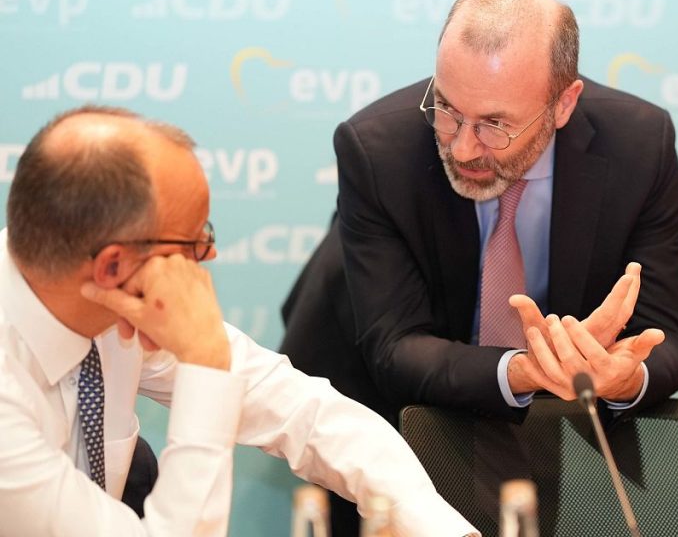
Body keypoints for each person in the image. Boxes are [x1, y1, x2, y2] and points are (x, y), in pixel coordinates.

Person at [281, 0, 678, 535]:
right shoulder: (377, 149)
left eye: (495, 124)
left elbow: (668, 334)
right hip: (387, 409)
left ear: (563, 103)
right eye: (447, 109)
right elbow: (396, 348)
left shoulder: (637, 144)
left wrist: (620, 377)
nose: (461, 146)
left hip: (546, 432)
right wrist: (525, 370)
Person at [0, 105, 478, 537]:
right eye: (192, 243)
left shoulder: (114, 307)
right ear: (111, 267)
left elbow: (300, 410)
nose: (210, 254)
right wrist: (204, 365)